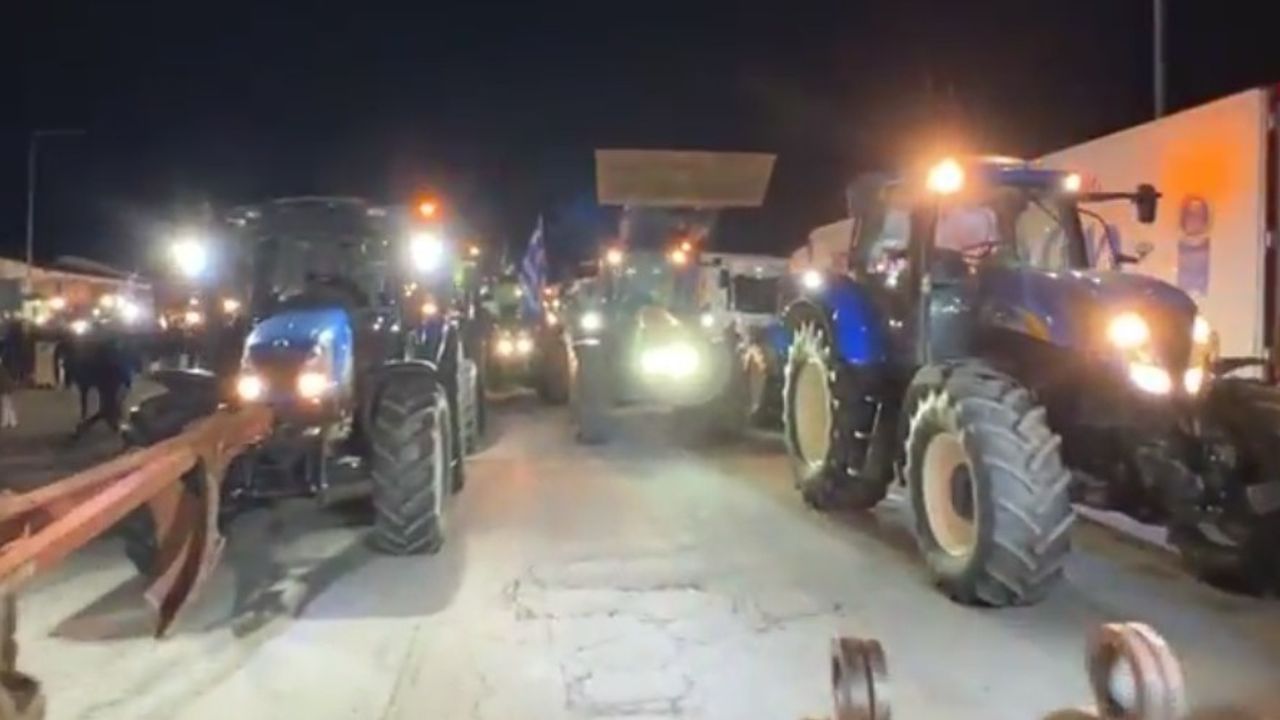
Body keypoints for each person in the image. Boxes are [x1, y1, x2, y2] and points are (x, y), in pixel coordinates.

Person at [0, 359, 17, 430]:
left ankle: (7, 422)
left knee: (5, 405)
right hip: (8, 388)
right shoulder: (3, 369)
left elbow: (2, 381)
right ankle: (12, 422)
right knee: (8, 405)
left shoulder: (1, 370)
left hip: (5, 389)